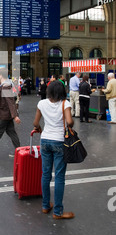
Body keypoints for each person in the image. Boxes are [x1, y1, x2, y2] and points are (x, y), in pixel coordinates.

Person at [33, 80, 74, 219]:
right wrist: (70, 122)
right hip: (60, 142)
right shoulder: (65, 103)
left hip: (45, 141)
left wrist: (39, 129)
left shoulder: (42, 103)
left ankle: (45, 206)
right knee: (59, 177)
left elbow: (35, 123)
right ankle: (58, 212)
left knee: (45, 174)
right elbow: (69, 122)